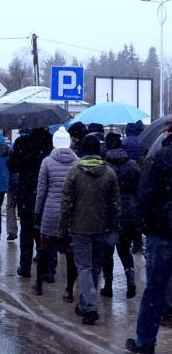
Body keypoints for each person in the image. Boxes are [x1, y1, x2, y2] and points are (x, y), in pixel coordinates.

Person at [59, 134, 121, 325]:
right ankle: (86, 301)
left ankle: (89, 307)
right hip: (102, 227)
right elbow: (115, 204)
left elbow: (66, 203)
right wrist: (114, 227)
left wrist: (62, 229)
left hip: (80, 227)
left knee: (84, 267)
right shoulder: (109, 173)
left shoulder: (74, 173)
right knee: (94, 267)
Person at [126, 124, 172, 353]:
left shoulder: (159, 159)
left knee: (154, 289)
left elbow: (143, 198)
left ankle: (145, 342)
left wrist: (146, 228)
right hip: (160, 231)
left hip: (162, 234)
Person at [33, 127, 78, 297]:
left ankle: (38, 284)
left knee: (45, 249)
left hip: (50, 213)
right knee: (70, 253)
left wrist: (37, 212)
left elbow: (41, 189)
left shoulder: (47, 162)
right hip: (70, 214)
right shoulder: (77, 162)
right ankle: (68, 289)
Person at [8, 128, 53, 278]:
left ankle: (25, 267)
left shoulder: (22, 143)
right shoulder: (50, 143)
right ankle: (47, 270)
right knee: (44, 233)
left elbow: (12, 166)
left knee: (26, 233)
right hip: (46, 195)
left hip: (26, 194)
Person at [101, 133, 140, 299]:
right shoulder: (133, 165)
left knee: (107, 252)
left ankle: (108, 286)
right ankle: (130, 278)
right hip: (130, 212)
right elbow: (140, 190)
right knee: (125, 250)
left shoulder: (104, 167)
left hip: (110, 214)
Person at [123, 121, 146, 255]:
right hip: (140, 177)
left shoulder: (124, 142)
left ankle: (127, 240)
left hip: (127, 177)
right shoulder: (142, 141)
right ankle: (138, 244)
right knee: (138, 212)